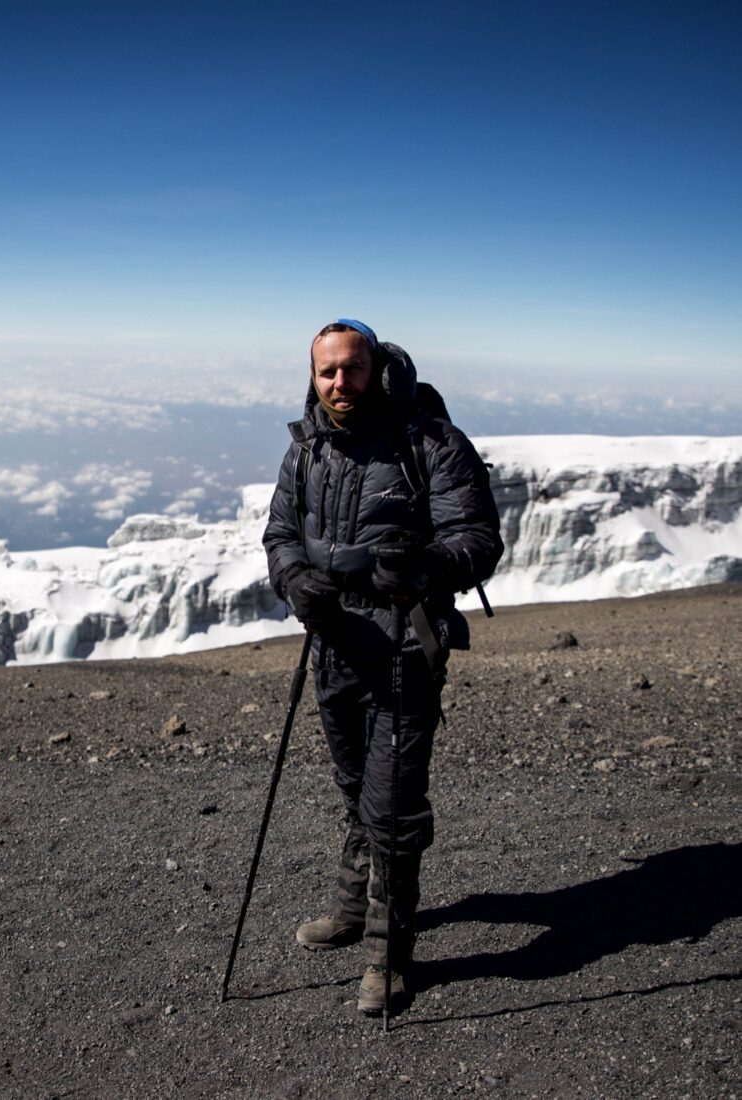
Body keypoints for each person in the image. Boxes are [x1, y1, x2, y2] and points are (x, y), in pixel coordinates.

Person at [262, 318, 503, 1015]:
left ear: (378, 369)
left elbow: (478, 539)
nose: (341, 382)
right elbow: (281, 534)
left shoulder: (429, 443)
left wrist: (425, 566)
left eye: (353, 368)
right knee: (354, 787)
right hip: (334, 642)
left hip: (403, 645)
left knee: (392, 804)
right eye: (328, 371)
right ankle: (350, 906)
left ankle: (387, 953)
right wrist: (295, 581)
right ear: (313, 376)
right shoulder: (307, 449)